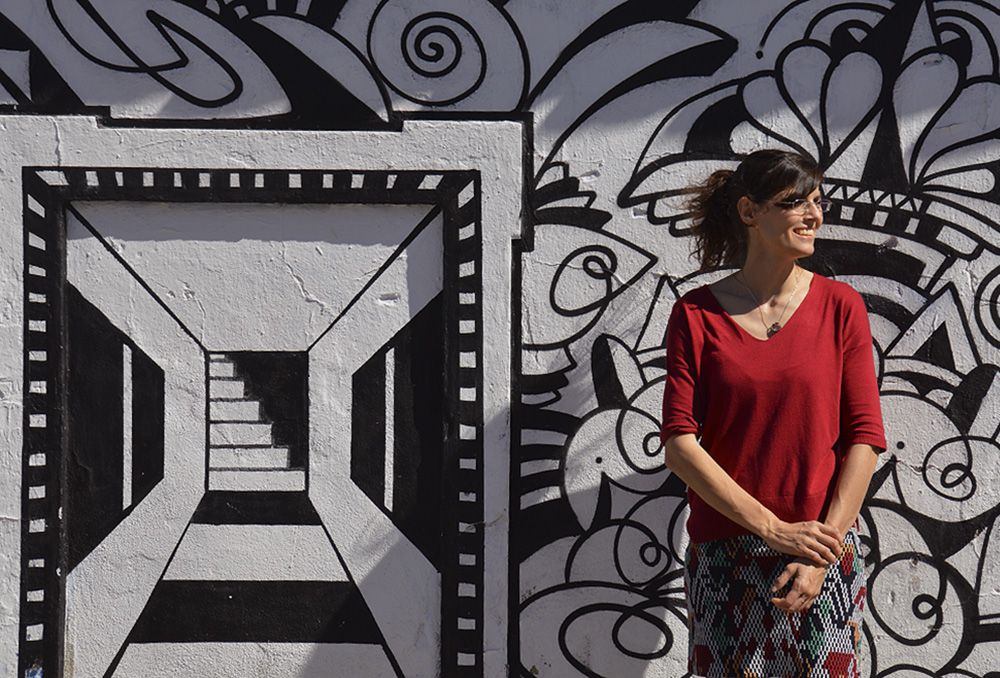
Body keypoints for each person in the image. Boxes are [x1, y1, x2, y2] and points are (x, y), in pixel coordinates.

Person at [661, 149, 886, 678]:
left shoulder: (840, 306)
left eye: (817, 201)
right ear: (749, 213)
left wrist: (816, 553)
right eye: (794, 203)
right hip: (725, 558)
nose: (814, 215)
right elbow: (679, 444)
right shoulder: (696, 314)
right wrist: (771, 528)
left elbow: (866, 438)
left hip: (820, 556)